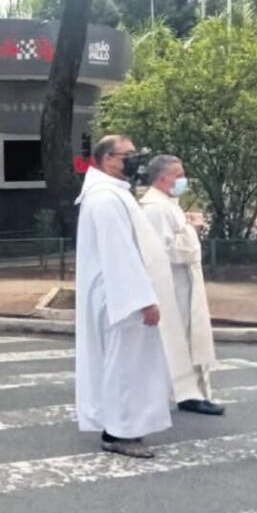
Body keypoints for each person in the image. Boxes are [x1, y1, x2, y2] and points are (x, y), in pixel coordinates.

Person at [75, 135, 172, 458]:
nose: (134, 159)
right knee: (124, 366)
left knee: (128, 364)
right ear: (106, 160)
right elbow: (120, 255)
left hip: (119, 293)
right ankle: (119, 431)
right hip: (120, 297)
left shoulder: (114, 194)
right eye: (126, 155)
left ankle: (124, 426)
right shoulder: (105, 199)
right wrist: (143, 299)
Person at [141, 155, 223, 416]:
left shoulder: (167, 203)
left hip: (184, 281)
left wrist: (187, 230)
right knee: (180, 338)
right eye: (179, 175)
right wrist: (191, 233)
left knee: (189, 336)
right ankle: (187, 393)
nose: (183, 179)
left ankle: (192, 392)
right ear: (163, 178)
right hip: (173, 285)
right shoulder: (155, 207)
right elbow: (161, 250)